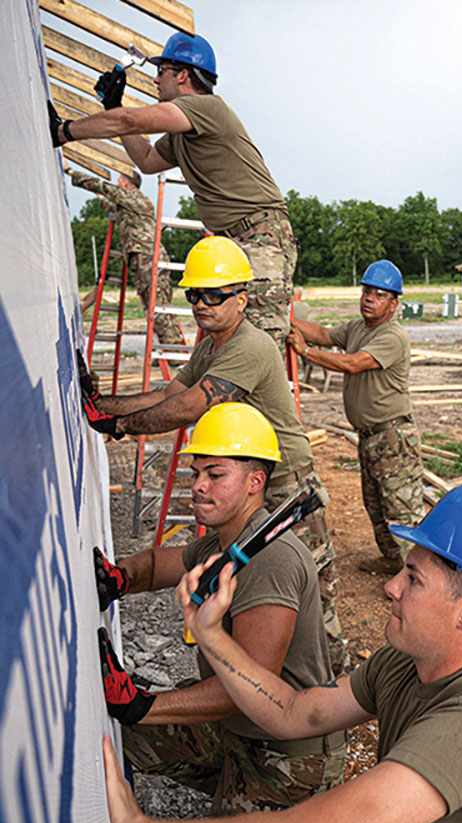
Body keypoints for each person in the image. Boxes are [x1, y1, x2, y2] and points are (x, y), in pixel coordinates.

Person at [103, 482, 462, 823]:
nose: (390, 587)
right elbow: (295, 712)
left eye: (413, 579)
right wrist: (211, 636)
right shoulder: (405, 663)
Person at [97, 402, 346, 823]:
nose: (199, 486)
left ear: (255, 482)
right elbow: (156, 565)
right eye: (196, 473)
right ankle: (235, 803)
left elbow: (245, 688)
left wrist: (142, 704)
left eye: (216, 474)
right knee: (121, 740)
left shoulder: (270, 559)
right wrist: (118, 577)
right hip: (233, 733)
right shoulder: (226, 541)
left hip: (283, 760)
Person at [80, 236, 344, 673]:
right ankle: (255, 677)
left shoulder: (250, 346)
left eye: (213, 295)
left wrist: (119, 426)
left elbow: (188, 407)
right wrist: (104, 405)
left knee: (306, 590)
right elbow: (169, 393)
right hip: (243, 472)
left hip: (282, 484)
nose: (201, 304)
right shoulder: (210, 344)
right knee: (236, 567)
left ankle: (321, 693)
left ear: (240, 300)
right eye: (193, 295)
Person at [51, 32, 296, 351]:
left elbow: (129, 121)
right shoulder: (184, 131)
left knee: (261, 350)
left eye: (161, 70)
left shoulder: (206, 107)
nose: (155, 79)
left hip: (261, 238)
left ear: (182, 75)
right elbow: (147, 161)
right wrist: (113, 104)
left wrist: (62, 131)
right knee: (231, 349)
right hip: (237, 240)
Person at [287, 260, 425, 576]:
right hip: (369, 435)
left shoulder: (392, 336)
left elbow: (352, 363)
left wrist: (305, 352)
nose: (369, 298)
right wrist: (287, 319)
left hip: (392, 437)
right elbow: (322, 333)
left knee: (401, 509)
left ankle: (416, 576)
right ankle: (393, 559)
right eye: (366, 291)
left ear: (394, 304)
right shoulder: (357, 328)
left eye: (378, 294)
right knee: (375, 505)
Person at [64, 162, 183, 345]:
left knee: (156, 306)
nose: (118, 185)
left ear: (127, 184)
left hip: (146, 257)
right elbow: (106, 199)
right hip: (146, 257)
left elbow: (103, 188)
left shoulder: (133, 198)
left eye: (120, 181)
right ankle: (170, 347)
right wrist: (99, 194)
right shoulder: (127, 203)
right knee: (157, 305)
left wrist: (69, 171)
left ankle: (172, 350)